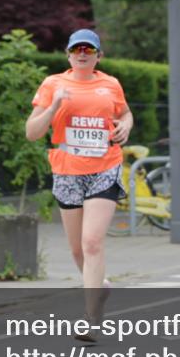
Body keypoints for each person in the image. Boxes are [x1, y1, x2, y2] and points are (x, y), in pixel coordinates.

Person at [26, 29, 133, 341]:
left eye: (89, 49)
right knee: (77, 249)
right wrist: (53, 107)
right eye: (77, 49)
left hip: (105, 166)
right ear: (68, 55)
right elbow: (32, 132)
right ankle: (100, 286)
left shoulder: (110, 84)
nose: (82, 54)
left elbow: (125, 113)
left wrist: (125, 126)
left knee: (92, 242)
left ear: (98, 56)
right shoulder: (53, 84)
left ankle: (91, 319)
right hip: (68, 170)